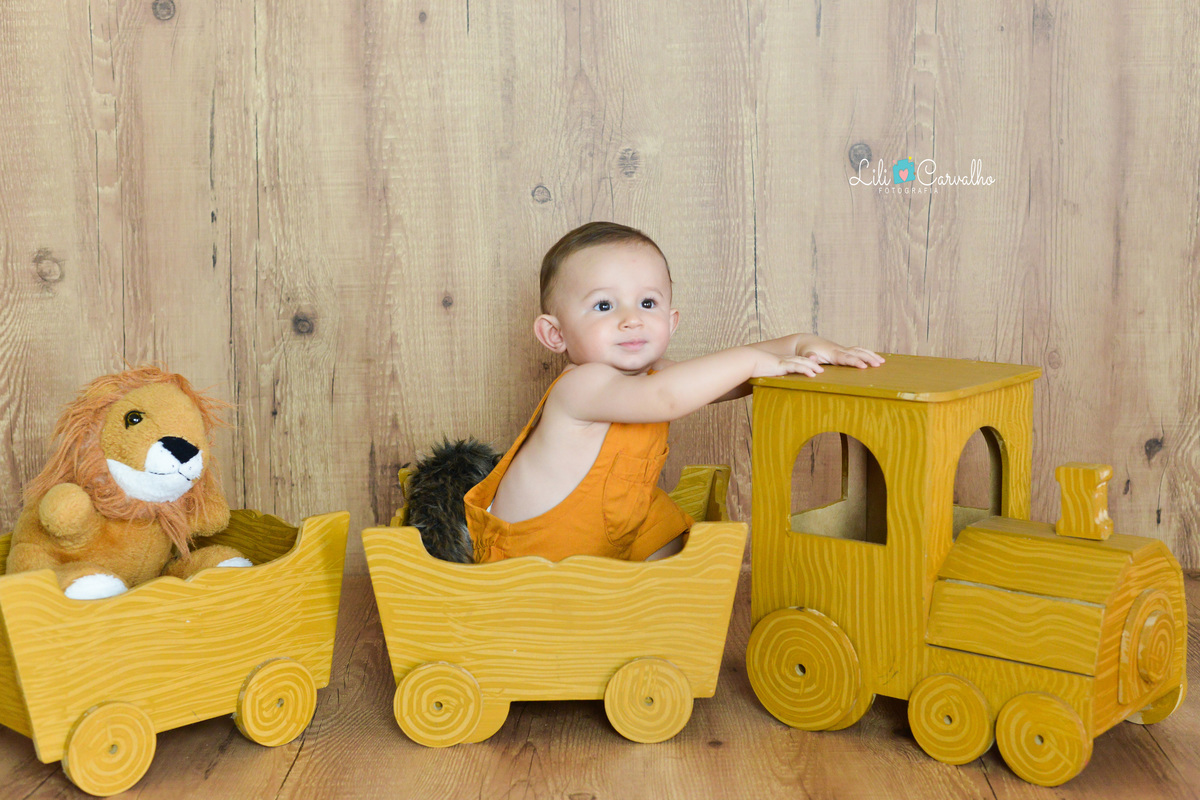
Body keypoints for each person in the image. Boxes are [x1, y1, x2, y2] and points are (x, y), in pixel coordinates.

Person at [464, 221, 884, 563]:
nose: (632, 320)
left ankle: (662, 603)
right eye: (605, 306)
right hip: (535, 556)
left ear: (672, 319)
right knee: (653, 524)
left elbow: (721, 382)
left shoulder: (651, 376)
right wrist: (753, 361)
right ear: (554, 334)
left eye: (647, 304)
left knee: (665, 525)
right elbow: (669, 398)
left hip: (600, 535)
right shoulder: (581, 386)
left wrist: (799, 344)